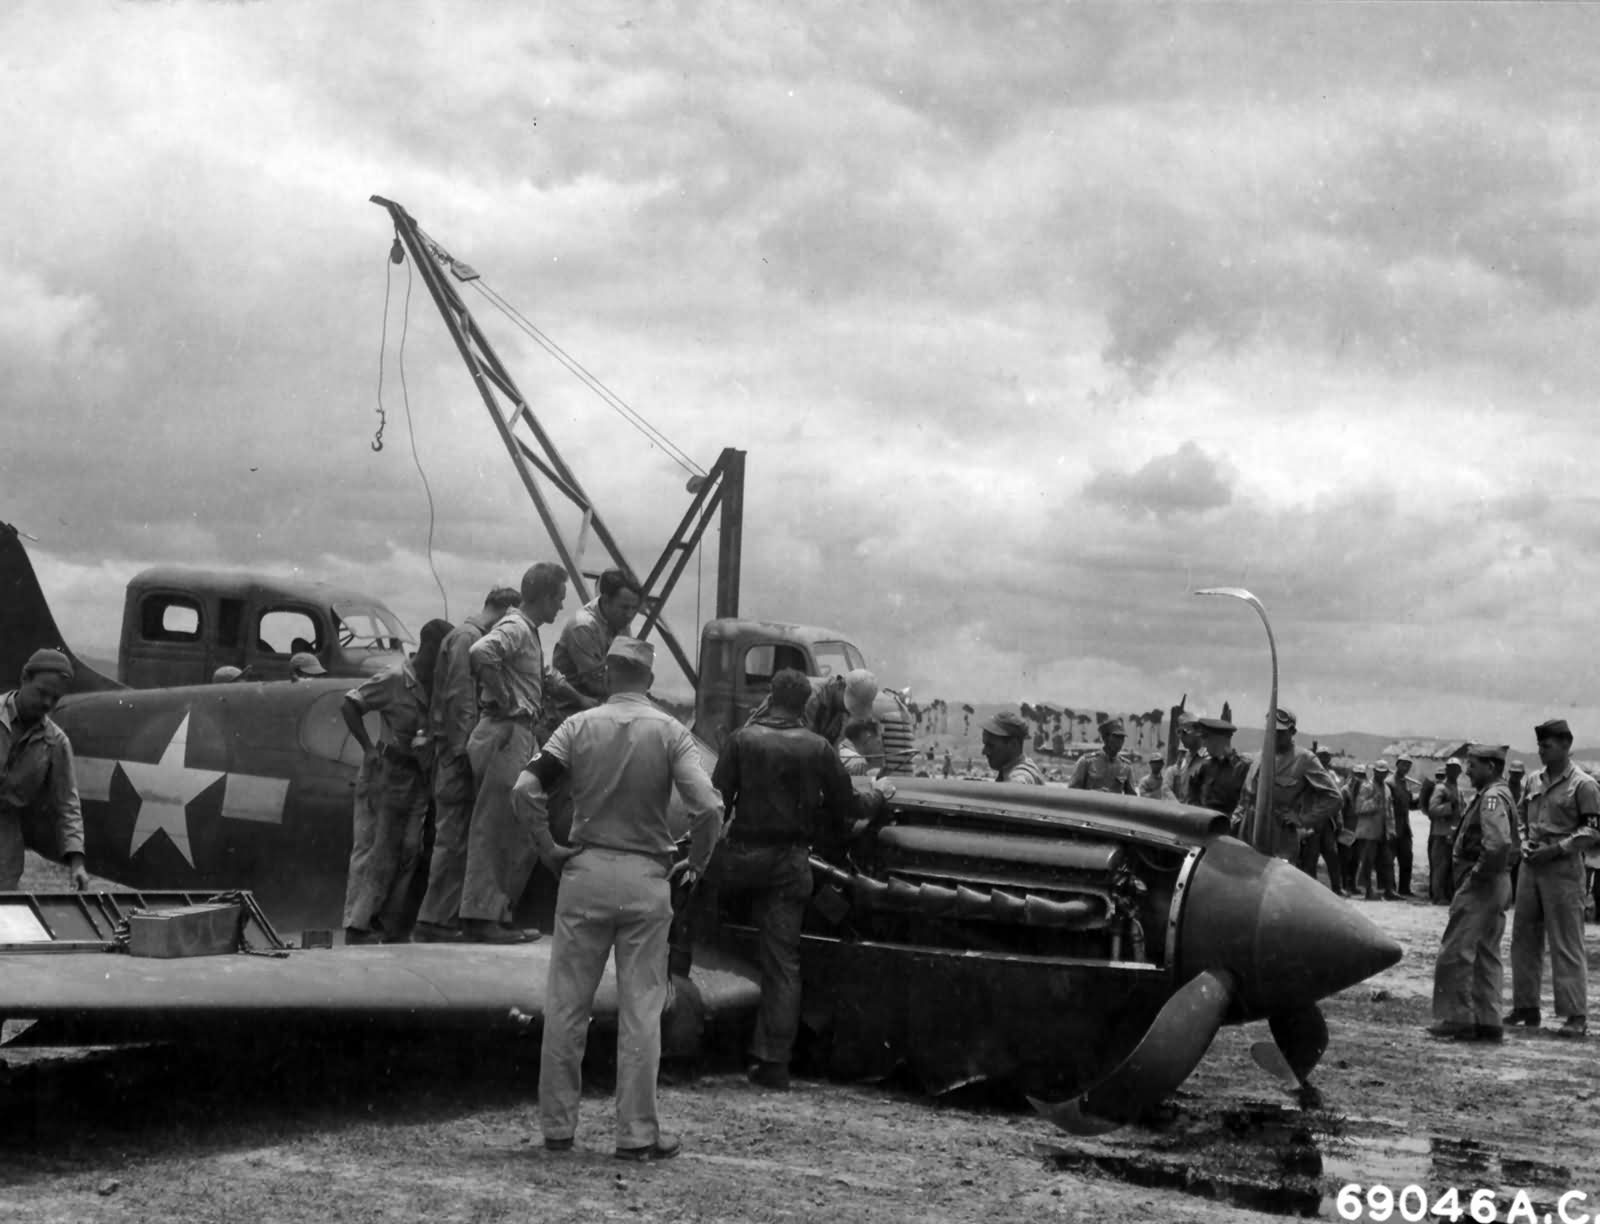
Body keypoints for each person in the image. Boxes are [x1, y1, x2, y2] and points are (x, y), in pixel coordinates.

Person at [515, 636, 722, 1161]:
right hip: (645, 878)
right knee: (641, 1011)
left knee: (566, 1005)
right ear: (649, 681)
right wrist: (695, 862)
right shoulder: (671, 732)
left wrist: (548, 848)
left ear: (608, 674)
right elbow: (709, 809)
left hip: (583, 872)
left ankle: (558, 1128)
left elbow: (525, 789)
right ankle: (635, 1134)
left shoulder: (577, 727)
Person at [707, 668, 871, 1090]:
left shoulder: (742, 740)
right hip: (791, 863)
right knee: (783, 963)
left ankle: (688, 1037)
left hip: (741, 856)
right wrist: (879, 794)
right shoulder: (819, 748)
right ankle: (773, 1062)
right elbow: (848, 805)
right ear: (804, 704)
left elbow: (714, 804)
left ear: (771, 696)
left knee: (702, 935)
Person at [459, 563, 596, 944]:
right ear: (546, 596)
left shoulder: (528, 633)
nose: (560, 607)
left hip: (517, 734)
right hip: (507, 733)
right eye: (559, 599)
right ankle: (481, 918)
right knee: (497, 827)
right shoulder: (517, 627)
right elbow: (482, 652)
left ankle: (495, 913)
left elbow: (543, 676)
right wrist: (506, 699)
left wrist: (581, 699)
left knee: (515, 828)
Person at [411, 586, 521, 943]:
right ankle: (433, 921)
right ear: (506, 610)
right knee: (453, 838)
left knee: (457, 838)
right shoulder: (468, 639)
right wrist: (467, 753)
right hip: (457, 754)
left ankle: (441, 919)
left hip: (456, 751)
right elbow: (461, 699)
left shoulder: (467, 637)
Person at [339, 619, 452, 945]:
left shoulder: (436, 685)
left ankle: (389, 925)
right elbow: (351, 704)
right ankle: (357, 926)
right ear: (430, 648)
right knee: (375, 849)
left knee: (408, 850)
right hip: (386, 773)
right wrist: (368, 748)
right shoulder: (394, 678)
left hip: (416, 777)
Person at [1505, 719, 1599, 1039]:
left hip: (1563, 869)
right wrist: (1524, 840)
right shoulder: (1533, 780)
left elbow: (1592, 831)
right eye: (1540, 746)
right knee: (1524, 939)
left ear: (1566, 745)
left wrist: (1557, 849)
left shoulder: (1583, 785)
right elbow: (1520, 815)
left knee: (1566, 942)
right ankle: (1525, 1006)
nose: (1541, 751)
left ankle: (1575, 1015)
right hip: (1532, 866)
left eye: (1547, 745)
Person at [1428, 743, 1515, 1042]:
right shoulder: (1499, 795)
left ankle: (1457, 1018)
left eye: (1473, 765)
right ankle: (1488, 1021)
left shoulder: (1491, 798)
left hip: (1482, 884)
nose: (1467, 771)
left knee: (1456, 950)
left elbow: (1499, 844)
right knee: (1485, 953)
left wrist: (1477, 875)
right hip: (1497, 882)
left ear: (1491, 767)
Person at [0, 650, 89, 891]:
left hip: (4, 839)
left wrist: (76, 863)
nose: (47, 703)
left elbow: (67, 805)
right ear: (24, 678)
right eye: (41, 693)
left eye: (55, 698)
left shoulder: (56, 743)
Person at [1232, 709, 1343, 862]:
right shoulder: (1259, 757)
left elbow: (1334, 798)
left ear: (1293, 731)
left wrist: (1303, 819)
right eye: (1270, 731)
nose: (1274, 735)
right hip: (1247, 831)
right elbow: (1246, 796)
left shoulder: (1304, 759)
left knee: (1275, 882)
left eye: (1280, 731)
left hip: (1279, 836)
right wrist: (1235, 821)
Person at [551, 569, 643, 715]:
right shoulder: (583, 626)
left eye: (634, 608)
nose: (630, 615)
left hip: (603, 702)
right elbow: (594, 684)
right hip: (572, 709)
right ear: (606, 600)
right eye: (624, 607)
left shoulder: (621, 622)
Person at [1350, 761, 1401, 901]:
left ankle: (1388, 890)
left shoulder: (1387, 788)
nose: (1381, 774)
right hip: (1368, 831)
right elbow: (1359, 807)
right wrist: (1374, 802)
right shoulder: (1367, 786)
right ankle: (1368, 890)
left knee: (1387, 861)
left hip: (1383, 831)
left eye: (1384, 772)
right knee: (1368, 861)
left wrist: (1392, 829)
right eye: (1379, 771)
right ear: (1374, 771)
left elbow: (1390, 811)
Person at [1191, 718, 1249, 817]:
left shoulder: (1242, 768)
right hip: (1204, 825)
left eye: (1206, 738)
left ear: (1218, 740)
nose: (1203, 744)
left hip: (1229, 828)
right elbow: (1193, 795)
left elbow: (1245, 805)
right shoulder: (1205, 767)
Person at [1426, 759, 1465, 905]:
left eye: (1456, 769)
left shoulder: (1458, 790)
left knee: (1450, 868)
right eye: (1451, 768)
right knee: (1440, 867)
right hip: (1441, 834)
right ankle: (1438, 896)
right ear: (1447, 770)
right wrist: (1449, 807)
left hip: (1454, 834)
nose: (1454, 771)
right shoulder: (1440, 789)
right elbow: (1432, 810)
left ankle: (1447, 895)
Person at [1069, 718, 1134, 794]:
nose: (1119, 741)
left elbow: (1131, 797)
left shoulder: (1126, 766)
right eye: (1116, 737)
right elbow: (1072, 792)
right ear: (1105, 738)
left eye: (1122, 738)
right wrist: (1094, 794)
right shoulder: (1086, 762)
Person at [980, 711, 1045, 784]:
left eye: (990, 745)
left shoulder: (1019, 777)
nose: (984, 751)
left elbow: (1018, 784)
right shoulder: (1013, 769)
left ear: (1013, 745)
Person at [1163, 713, 1203, 804]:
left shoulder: (1208, 760)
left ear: (1197, 733)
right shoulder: (1184, 761)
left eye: (1184, 732)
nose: (1181, 736)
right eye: (1179, 732)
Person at [1390, 754, 1416, 896]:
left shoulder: (1405, 783)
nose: (1406, 767)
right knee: (1389, 861)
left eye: (1408, 765)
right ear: (1397, 764)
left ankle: (1404, 889)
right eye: (1403, 764)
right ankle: (1391, 889)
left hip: (1405, 828)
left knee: (1407, 859)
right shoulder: (1390, 782)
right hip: (1393, 826)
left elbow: (1410, 804)